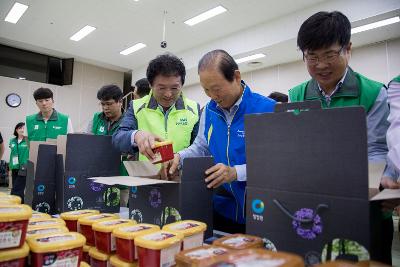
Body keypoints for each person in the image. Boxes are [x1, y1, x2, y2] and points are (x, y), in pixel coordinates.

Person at [288, 11, 396, 264]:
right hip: (314, 207)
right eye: (312, 57)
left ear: (348, 49)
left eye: (329, 55)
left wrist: (358, 188)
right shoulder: (298, 94)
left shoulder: (373, 93)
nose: (321, 65)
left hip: (364, 207)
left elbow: (378, 150)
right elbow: (297, 149)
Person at [168, 49, 276, 233]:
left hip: (259, 210)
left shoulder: (268, 109)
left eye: (216, 89)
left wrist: (236, 172)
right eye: (206, 90)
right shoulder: (208, 111)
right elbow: (201, 147)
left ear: (235, 76)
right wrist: (179, 156)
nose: (212, 96)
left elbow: (275, 164)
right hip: (220, 209)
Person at [112, 53, 200, 165]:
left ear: (182, 85)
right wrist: (137, 135)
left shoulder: (193, 109)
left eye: (174, 88)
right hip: (146, 179)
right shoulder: (136, 106)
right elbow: (118, 138)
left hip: (180, 177)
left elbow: (199, 147)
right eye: (161, 88)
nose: (168, 94)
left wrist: (180, 161)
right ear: (150, 85)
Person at [86, 84, 130, 206]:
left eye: (109, 104)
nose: (105, 108)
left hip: (120, 179)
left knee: (118, 216)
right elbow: (87, 142)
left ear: (120, 102)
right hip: (97, 178)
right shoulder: (96, 118)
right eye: (102, 104)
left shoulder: (129, 121)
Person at [9, 123, 29, 202]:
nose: (22, 130)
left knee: (17, 188)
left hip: (24, 166)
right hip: (14, 166)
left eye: (24, 128)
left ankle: (13, 203)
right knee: (16, 186)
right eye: (20, 128)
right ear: (16, 130)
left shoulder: (28, 140)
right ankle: (20, 204)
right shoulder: (12, 141)